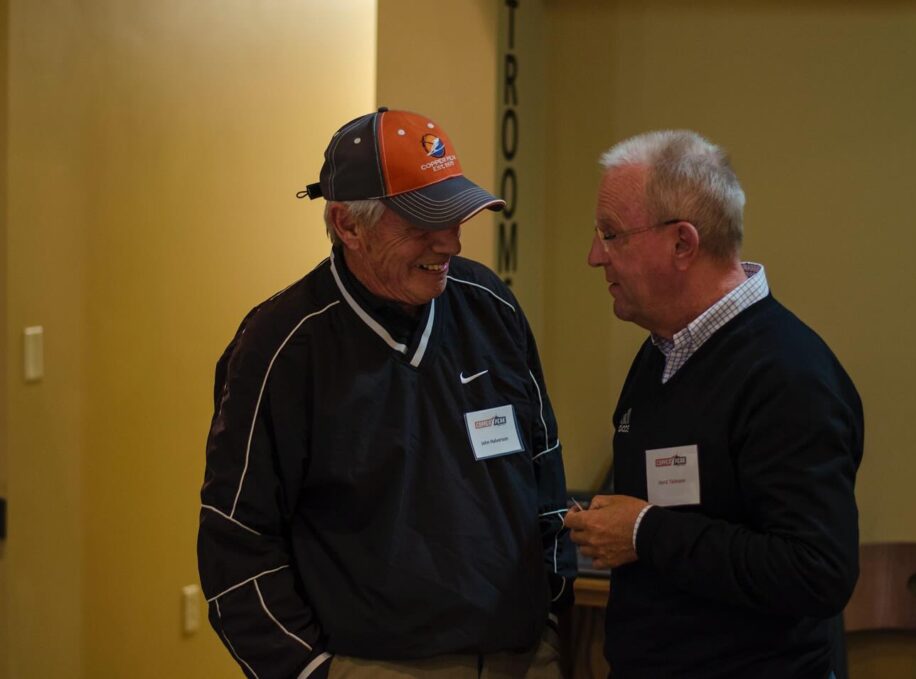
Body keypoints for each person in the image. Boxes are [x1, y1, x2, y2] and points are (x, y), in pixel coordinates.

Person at [198, 107, 575, 679]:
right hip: (375, 664)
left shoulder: (490, 304)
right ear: (348, 225)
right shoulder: (281, 347)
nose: (449, 242)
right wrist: (311, 671)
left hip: (523, 656)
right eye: (424, 224)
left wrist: (550, 615)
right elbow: (237, 539)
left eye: (456, 217)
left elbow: (544, 470)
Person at [564, 130, 863, 678]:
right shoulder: (660, 354)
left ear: (683, 243)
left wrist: (644, 533)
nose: (593, 257)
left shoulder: (788, 373)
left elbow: (817, 571)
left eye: (611, 235)